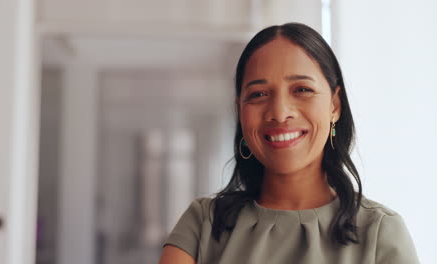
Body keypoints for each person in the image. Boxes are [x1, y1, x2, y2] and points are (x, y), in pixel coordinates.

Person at [159, 23, 420, 264]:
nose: (280, 112)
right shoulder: (203, 223)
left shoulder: (380, 233)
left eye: (302, 89)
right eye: (259, 94)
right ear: (240, 111)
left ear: (335, 105)